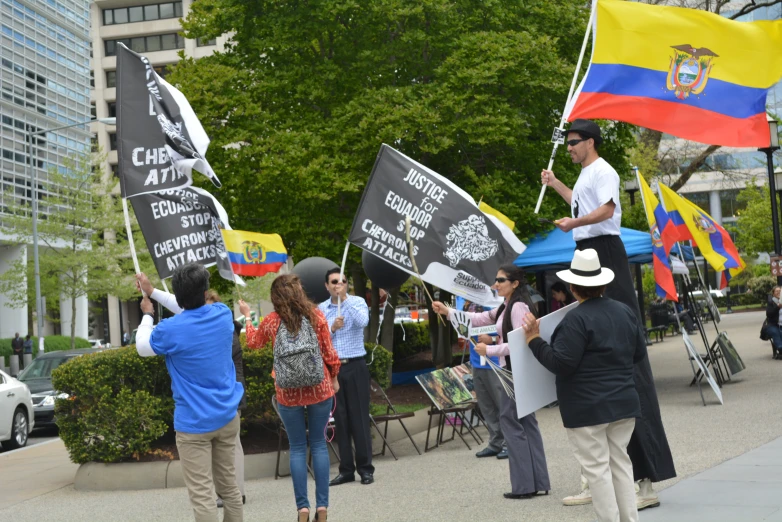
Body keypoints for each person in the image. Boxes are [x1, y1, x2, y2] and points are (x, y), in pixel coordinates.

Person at [542, 119, 675, 509]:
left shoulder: (605, 171)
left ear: (591, 142)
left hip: (603, 248)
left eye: (574, 142)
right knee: (591, 339)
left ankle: (642, 478)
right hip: (590, 246)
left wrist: (574, 223)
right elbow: (582, 206)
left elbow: (605, 210)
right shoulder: (585, 175)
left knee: (614, 334)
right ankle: (603, 477)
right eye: (567, 143)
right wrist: (556, 187)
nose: (568, 148)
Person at [523, 249, 645, 522]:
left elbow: (562, 363)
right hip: (623, 401)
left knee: (598, 471)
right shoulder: (624, 311)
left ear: (572, 287)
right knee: (621, 465)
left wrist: (534, 341)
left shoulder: (575, 320)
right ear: (602, 283)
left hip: (586, 407)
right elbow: (638, 354)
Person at [135, 264, 244, 522]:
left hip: (193, 425)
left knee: (202, 495)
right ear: (205, 292)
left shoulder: (170, 330)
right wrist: (154, 291)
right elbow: (187, 306)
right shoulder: (222, 313)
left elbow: (142, 346)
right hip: (227, 417)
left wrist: (148, 314)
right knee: (229, 488)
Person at [432, 264, 551, 499]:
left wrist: (490, 349)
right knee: (526, 424)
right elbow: (479, 318)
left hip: (515, 373)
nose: (495, 284)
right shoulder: (507, 306)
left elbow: (522, 342)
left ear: (515, 284)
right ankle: (537, 481)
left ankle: (525, 486)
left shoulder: (517, 307)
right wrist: (448, 312)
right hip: (515, 372)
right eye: (496, 279)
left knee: (513, 423)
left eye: (501, 280)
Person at [243, 274, 341, 522]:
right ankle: (322, 508)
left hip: (287, 392)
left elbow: (253, 343)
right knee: (318, 444)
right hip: (318, 388)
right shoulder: (316, 316)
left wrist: (247, 316)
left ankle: (302, 509)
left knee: (297, 448)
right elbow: (329, 352)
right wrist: (334, 376)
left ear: (275, 297)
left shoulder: (272, 321)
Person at [318, 268, 374, 487]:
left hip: (355, 365)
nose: (337, 285)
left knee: (359, 418)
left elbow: (363, 322)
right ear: (326, 285)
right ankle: (346, 470)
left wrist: (345, 300)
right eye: (333, 282)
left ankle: (366, 469)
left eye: (341, 282)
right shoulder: (321, 309)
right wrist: (332, 327)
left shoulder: (357, 302)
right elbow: (319, 339)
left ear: (347, 284)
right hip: (333, 369)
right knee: (339, 420)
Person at [470, 330, 508, 460]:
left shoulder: (496, 309)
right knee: (486, 407)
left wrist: (491, 339)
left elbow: (507, 333)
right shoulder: (464, 309)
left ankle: (510, 442)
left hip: (495, 363)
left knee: (503, 405)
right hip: (476, 362)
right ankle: (495, 443)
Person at [767, 286, 782, 357]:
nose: (779, 292)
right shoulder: (771, 302)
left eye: (780, 291)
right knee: (775, 332)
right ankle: (780, 348)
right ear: (773, 293)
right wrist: (778, 307)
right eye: (777, 291)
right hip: (773, 324)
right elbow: (769, 314)